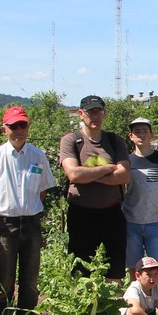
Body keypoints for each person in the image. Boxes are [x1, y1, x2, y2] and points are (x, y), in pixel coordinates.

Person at [0, 106, 58, 315]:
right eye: (13, 126)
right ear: (5, 129)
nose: (19, 130)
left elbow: (42, 191)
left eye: (23, 125)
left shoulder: (38, 156)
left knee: (30, 281)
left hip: (31, 224)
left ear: (28, 127)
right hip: (4, 224)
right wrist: (4, 208)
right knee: (5, 280)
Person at [60, 95, 131, 282]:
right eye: (91, 112)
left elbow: (124, 176)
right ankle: (85, 302)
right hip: (81, 214)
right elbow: (74, 175)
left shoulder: (114, 141)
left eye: (99, 111)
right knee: (81, 271)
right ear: (81, 114)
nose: (96, 116)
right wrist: (108, 169)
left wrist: (88, 176)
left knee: (114, 270)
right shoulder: (71, 140)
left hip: (112, 214)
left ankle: (111, 302)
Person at [122, 117, 158, 277]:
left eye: (145, 131)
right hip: (131, 224)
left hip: (156, 224)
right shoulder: (126, 161)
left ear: (151, 135)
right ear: (131, 136)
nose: (141, 135)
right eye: (137, 132)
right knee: (135, 273)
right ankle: (137, 296)